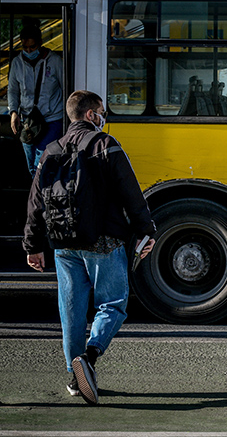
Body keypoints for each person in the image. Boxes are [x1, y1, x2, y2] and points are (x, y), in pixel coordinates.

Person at [23, 90, 157, 405]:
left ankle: (74, 378)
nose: (103, 116)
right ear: (90, 115)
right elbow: (130, 191)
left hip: (63, 244)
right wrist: (145, 230)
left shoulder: (50, 150)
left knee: (71, 313)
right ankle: (90, 357)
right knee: (112, 305)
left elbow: (35, 200)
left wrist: (33, 244)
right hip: (103, 240)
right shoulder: (105, 144)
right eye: (101, 111)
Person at [8, 24, 65, 177]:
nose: (28, 51)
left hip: (52, 118)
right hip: (28, 120)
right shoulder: (17, 63)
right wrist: (14, 112)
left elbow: (66, 87)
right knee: (31, 165)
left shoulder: (54, 61)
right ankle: (39, 195)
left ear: (39, 44)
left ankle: (41, 197)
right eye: (25, 47)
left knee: (41, 162)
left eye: (32, 47)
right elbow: (13, 90)